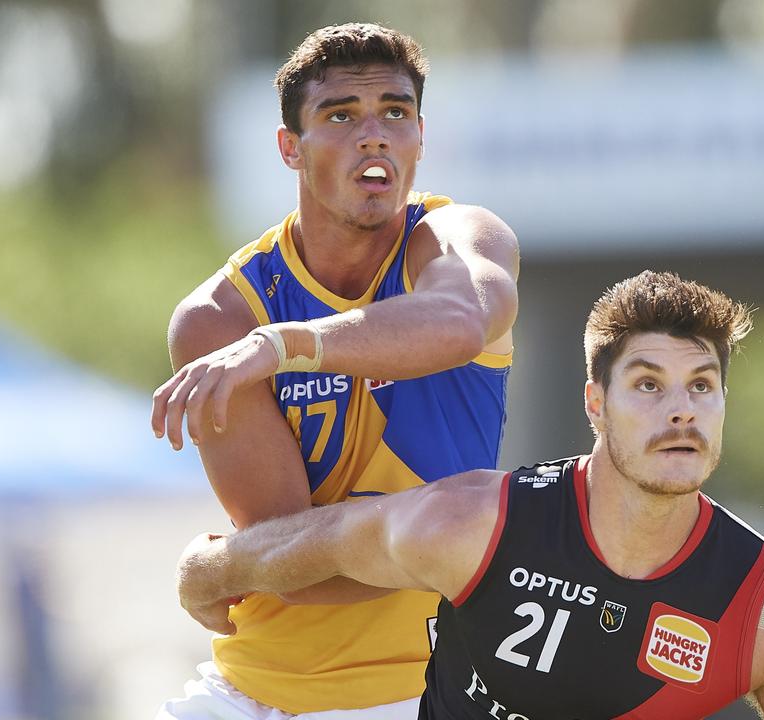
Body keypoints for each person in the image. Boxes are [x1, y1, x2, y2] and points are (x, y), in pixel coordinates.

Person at [175, 271, 764, 719]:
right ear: (596, 404)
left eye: (701, 387)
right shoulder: (477, 525)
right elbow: (319, 539)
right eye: (648, 385)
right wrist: (209, 569)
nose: (681, 411)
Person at [150, 23, 519, 720]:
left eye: (396, 113)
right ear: (291, 147)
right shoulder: (219, 320)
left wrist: (282, 346)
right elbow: (296, 569)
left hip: (424, 694)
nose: (374, 134)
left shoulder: (462, 239)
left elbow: (460, 322)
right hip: (251, 687)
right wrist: (442, 531)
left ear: (418, 139)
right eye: (341, 115)